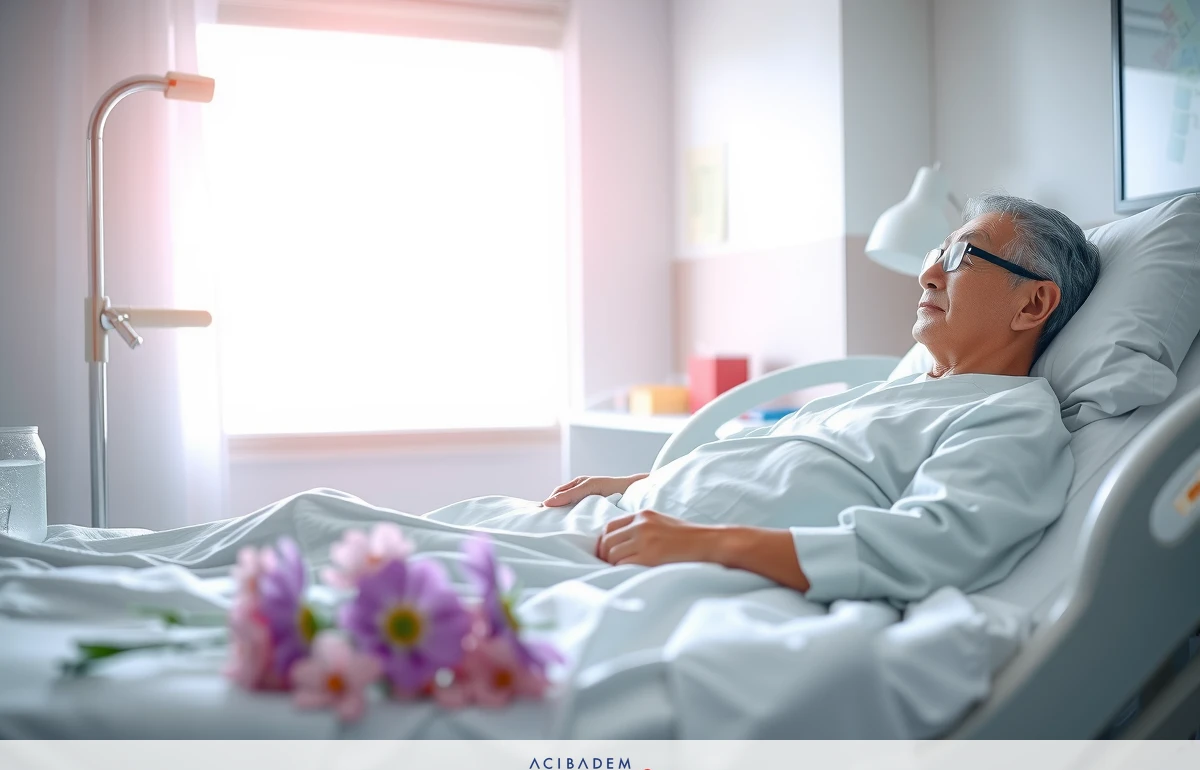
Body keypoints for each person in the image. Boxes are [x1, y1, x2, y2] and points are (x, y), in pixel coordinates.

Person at [431, 194, 1102, 604]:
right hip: (637, 519)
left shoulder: (1010, 416)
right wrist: (642, 480)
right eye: (937, 250)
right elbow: (771, 460)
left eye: (961, 257)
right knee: (336, 524)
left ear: (1033, 303)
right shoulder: (903, 391)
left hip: (681, 561)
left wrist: (704, 541)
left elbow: (929, 544)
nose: (928, 271)